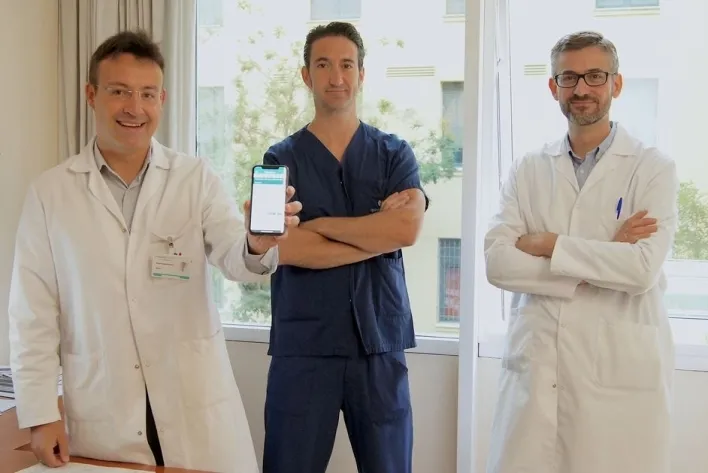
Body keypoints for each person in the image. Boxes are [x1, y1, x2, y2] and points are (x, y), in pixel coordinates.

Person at [8, 30, 301, 472]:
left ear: (162, 100)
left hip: (194, 401)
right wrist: (40, 412)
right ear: (91, 95)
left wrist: (256, 243)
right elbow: (32, 314)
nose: (135, 107)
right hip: (104, 407)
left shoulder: (194, 178)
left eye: (147, 93)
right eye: (119, 91)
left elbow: (234, 255)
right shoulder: (50, 193)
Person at [483, 31, 678, 473]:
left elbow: (642, 270)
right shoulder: (528, 169)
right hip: (538, 373)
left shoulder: (652, 168)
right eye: (569, 78)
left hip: (618, 381)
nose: (581, 89)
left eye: (595, 76)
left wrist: (549, 245)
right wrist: (605, 257)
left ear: (616, 84)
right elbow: (498, 263)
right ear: (554, 87)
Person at [259, 22, 428, 473]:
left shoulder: (394, 154)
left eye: (347, 65)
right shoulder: (279, 159)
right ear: (306, 75)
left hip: (379, 343)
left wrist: (320, 227)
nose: (336, 77)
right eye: (323, 65)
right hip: (303, 346)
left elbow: (406, 230)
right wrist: (376, 234)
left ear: (361, 74)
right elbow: (284, 248)